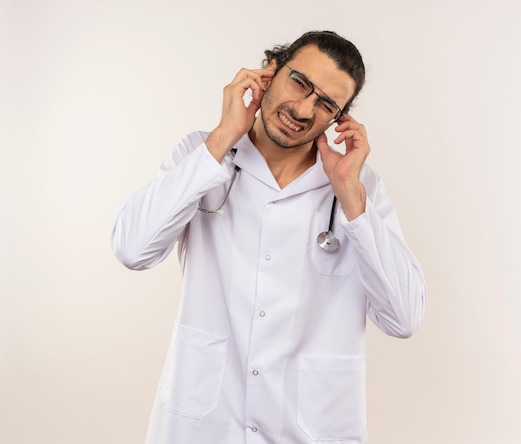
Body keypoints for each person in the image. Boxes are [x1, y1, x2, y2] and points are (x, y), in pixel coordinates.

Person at [111, 30, 426, 444]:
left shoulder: (358, 190)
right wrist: (223, 136)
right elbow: (132, 249)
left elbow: (403, 318)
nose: (303, 108)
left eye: (326, 103)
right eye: (300, 82)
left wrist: (350, 193)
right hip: (204, 426)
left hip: (308, 431)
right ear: (270, 71)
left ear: (339, 119)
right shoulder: (203, 154)